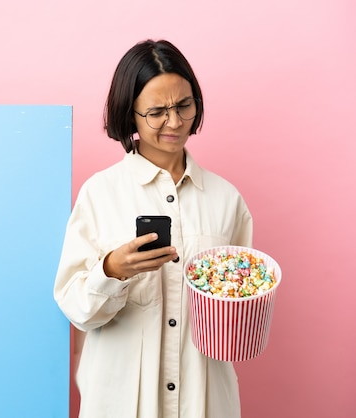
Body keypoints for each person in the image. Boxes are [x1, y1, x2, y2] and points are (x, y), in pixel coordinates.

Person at [53, 39, 253, 418]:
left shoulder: (227, 201)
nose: (175, 122)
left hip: (206, 403)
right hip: (120, 402)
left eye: (183, 105)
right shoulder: (100, 194)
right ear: (130, 116)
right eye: (157, 112)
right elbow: (76, 308)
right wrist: (112, 270)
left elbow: (236, 317)